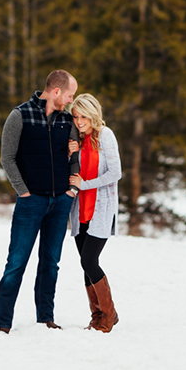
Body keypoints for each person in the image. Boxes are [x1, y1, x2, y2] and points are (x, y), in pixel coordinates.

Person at [0, 69, 79, 334]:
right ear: (56, 91)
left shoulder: (68, 120)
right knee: (16, 263)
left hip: (60, 202)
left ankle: (46, 317)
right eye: (68, 95)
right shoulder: (19, 115)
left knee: (50, 263)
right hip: (31, 203)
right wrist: (23, 191)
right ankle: (3, 323)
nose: (70, 100)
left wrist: (70, 191)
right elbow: (7, 157)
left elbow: (75, 156)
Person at [68, 93, 122, 332]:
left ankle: (109, 315)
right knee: (85, 263)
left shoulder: (105, 136)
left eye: (83, 116)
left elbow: (115, 173)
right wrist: (70, 154)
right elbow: (70, 171)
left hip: (100, 207)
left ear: (93, 115)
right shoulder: (76, 139)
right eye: (76, 116)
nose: (79, 121)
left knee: (89, 260)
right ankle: (96, 315)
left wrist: (85, 185)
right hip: (80, 209)